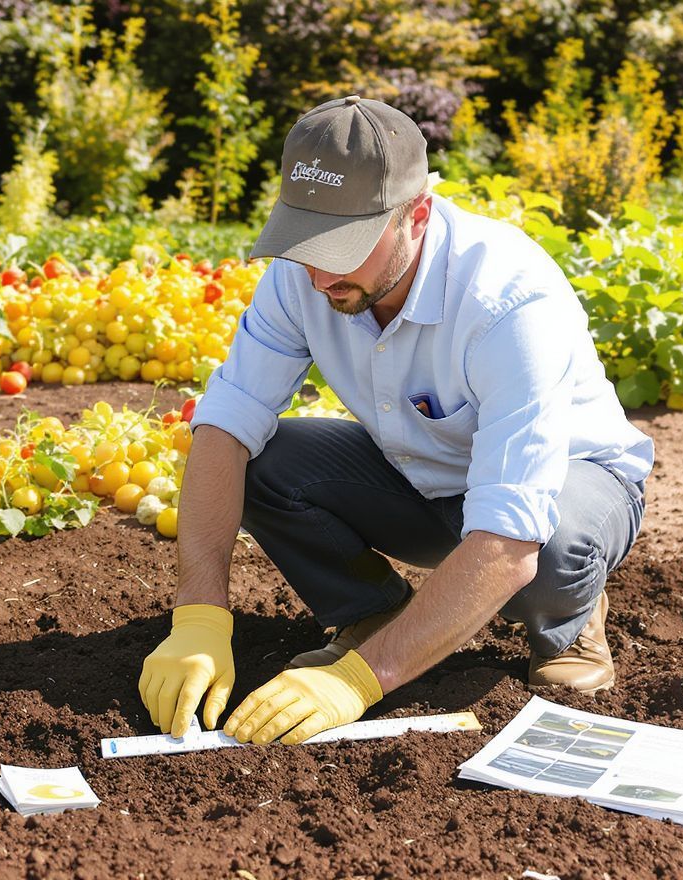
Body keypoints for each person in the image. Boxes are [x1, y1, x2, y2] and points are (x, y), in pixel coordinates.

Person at [138, 96, 653, 748]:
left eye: (344, 247)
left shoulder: (507, 298)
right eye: (306, 242)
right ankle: (375, 615)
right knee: (262, 463)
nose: (321, 275)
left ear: (418, 215)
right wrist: (200, 615)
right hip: (427, 482)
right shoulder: (303, 280)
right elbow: (224, 426)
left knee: (550, 551)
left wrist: (359, 681)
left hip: (570, 487)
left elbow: (511, 537)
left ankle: (569, 619)